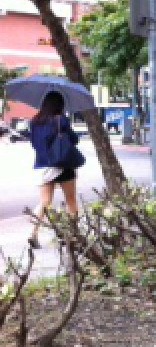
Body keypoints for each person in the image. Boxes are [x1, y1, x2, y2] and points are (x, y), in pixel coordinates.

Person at [28, 91, 85, 249]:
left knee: (45, 201)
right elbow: (74, 139)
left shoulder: (34, 121)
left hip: (43, 165)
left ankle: (33, 233)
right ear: (60, 105)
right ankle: (72, 235)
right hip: (62, 164)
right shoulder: (61, 119)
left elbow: (33, 143)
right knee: (71, 200)